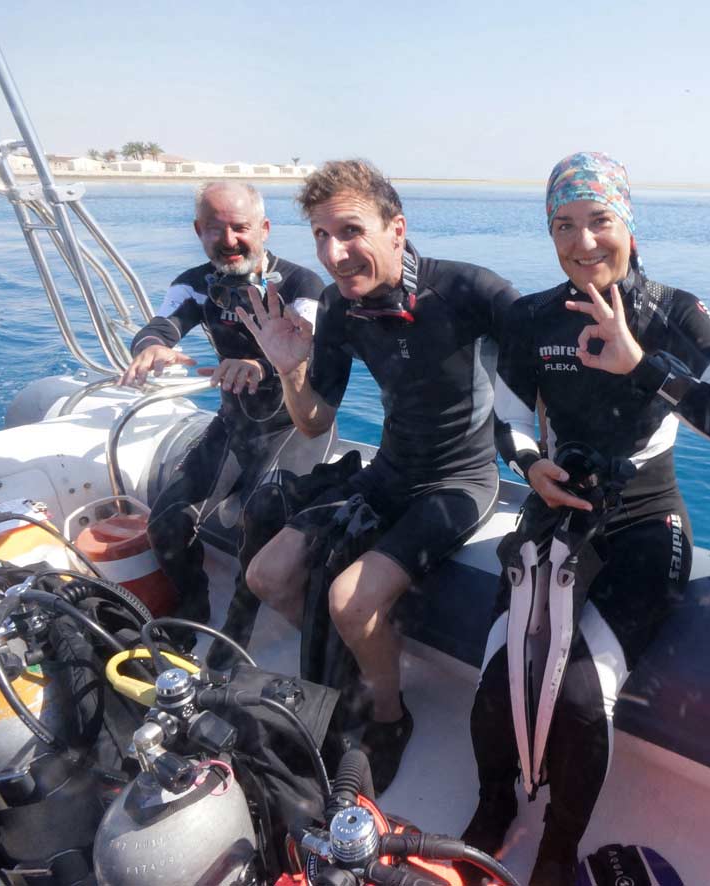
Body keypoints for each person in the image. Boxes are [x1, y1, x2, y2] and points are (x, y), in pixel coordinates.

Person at [460, 152, 710, 885]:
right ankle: (494, 804)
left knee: (585, 691)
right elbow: (506, 418)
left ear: (627, 222)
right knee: (499, 677)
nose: (582, 241)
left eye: (598, 221)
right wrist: (530, 467)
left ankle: (557, 850)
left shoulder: (674, 311)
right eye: (562, 225)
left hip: (647, 520)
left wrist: (641, 364)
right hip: (555, 510)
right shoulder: (531, 317)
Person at [240, 159, 519, 791]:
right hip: (389, 470)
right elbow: (313, 423)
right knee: (265, 574)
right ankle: (364, 660)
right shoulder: (341, 310)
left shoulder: (469, 291)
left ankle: (388, 718)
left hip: (460, 481)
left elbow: (551, 361)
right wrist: (289, 367)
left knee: (350, 598)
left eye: (350, 231)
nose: (334, 253)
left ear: (397, 228)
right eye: (319, 236)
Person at [121, 181, 327, 651]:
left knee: (258, 525)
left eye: (240, 228)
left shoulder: (300, 285)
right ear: (199, 231)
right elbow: (162, 324)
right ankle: (192, 612)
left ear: (265, 229)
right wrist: (152, 347)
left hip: (293, 428)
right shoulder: (194, 284)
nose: (229, 240)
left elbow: (310, 353)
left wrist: (259, 366)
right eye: (216, 229)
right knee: (166, 522)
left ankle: (235, 631)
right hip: (235, 423)